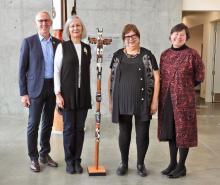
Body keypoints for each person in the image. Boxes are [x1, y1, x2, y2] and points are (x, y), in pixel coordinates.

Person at [108, 24, 160, 177]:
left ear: (138, 37)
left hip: (143, 101)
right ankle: (124, 163)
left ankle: (140, 164)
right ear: (124, 39)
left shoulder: (147, 55)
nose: (130, 39)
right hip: (122, 100)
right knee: (124, 133)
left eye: (133, 36)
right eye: (127, 37)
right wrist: (111, 101)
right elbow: (110, 78)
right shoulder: (118, 55)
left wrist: (155, 100)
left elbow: (157, 79)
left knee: (142, 134)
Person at [158, 23, 205, 178]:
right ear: (171, 35)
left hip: (185, 102)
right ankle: (172, 163)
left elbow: (200, 75)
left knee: (184, 133)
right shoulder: (164, 55)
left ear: (186, 37)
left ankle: (181, 166)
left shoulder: (192, 54)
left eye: (182, 35)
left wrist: (185, 88)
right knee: (171, 132)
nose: (178, 37)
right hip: (167, 100)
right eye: (176, 34)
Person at [19, 11, 60, 172]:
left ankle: (44, 154)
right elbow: (22, 70)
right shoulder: (28, 42)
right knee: (33, 124)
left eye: (46, 20)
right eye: (40, 21)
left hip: (52, 87)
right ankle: (33, 157)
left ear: (50, 22)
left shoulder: (57, 43)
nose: (43, 23)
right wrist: (24, 93)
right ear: (36, 23)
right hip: (35, 89)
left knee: (48, 123)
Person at [54, 15, 92, 174]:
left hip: (83, 94)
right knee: (69, 128)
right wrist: (58, 94)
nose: (75, 28)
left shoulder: (87, 47)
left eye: (78, 26)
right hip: (67, 95)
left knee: (79, 128)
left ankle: (77, 160)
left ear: (82, 28)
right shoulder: (62, 47)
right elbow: (56, 71)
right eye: (72, 26)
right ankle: (69, 161)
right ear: (68, 30)